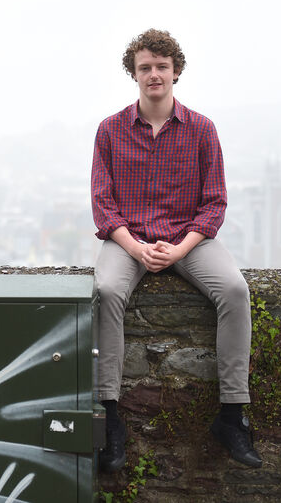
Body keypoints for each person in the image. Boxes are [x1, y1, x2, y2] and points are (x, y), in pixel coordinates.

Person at [91, 29, 261, 472]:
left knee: (236, 291)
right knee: (106, 291)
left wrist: (179, 248)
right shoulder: (110, 130)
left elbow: (215, 202)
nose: (154, 75)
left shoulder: (202, 129)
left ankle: (232, 415)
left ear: (176, 72)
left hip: (188, 240)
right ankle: (108, 417)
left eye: (161, 67)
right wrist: (135, 246)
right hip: (128, 240)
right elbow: (103, 205)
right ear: (133, 73)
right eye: (145, 67)